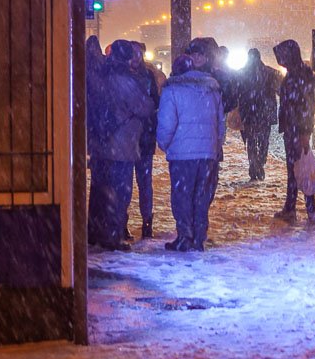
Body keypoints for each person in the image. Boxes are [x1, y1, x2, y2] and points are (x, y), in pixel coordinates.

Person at [157, 54, 225, 252]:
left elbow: (167, 124)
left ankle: (185, 236)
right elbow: (220, 123)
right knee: (201, 196)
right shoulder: (211, 90)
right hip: (207, 154)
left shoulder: (172, 91)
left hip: (182, 155)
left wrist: (164, 144)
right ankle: (199, 236)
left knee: (183, 196)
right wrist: (215, 145)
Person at [94, 40, 155, 251]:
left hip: (103, 143)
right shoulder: (125, 81)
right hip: (122, 144)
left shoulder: (102, 76)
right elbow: (145, 107)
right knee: (120, 192)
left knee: (105, 191)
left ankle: (102, 232)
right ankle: (114, 235)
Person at [273, 38, 315, 223]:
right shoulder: (296, 74)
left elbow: (307, 106)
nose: (280, 61)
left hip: (297, 131)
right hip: (294, 129)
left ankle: (306, 209)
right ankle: (298, 208)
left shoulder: (299, 77)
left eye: (282, 57)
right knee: (297, 169)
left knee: (300, 170)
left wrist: (304, 133)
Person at [129, 41, 162, 239]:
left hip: (140, 137)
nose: (136, 57)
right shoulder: (144, 75)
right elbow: (154, 103)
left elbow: (155, 103)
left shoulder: (145, 75)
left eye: (138, 53)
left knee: (142, 182)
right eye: (133, 53)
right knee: (130, 184)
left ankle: (146, 221)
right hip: (132, 137)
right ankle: (130, 222)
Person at [238, 48, 279, 181]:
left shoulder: (242, 73)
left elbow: (236, 92)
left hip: (248, 113)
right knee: (263, 140)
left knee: (250, 140)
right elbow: (279, 90)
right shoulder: (270, 72)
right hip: (265, 113)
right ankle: (260, 162)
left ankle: (254, 164)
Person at [85, 36, 108, 244]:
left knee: (97, 181)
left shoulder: (83, 69)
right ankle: (99, 225)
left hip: (91, 129)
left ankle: (92, 225)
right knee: (102, 182)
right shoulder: (102, 70)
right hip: (102, 130)